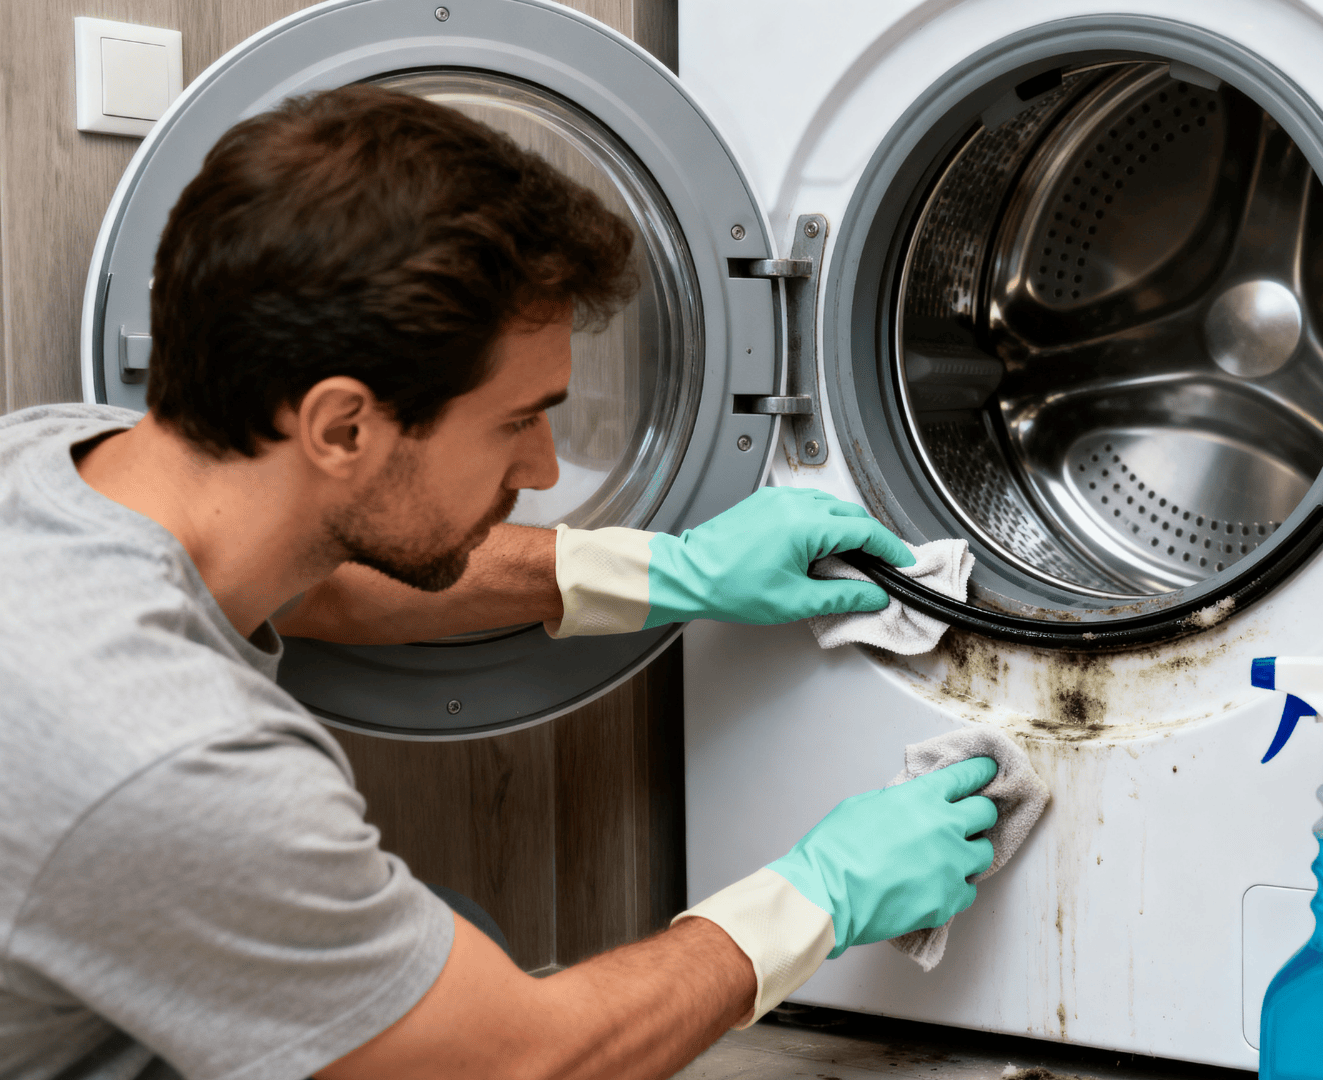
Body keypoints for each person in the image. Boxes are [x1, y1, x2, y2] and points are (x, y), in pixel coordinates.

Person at [0, 85, 999, 1080]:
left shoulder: (58, 463)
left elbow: (317, 583)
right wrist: (817, 899)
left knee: (445, 940)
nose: (544, 472)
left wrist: (664, 571)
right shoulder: (169, 759)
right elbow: (518, 1066)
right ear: (343, 426)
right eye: (518, 418)